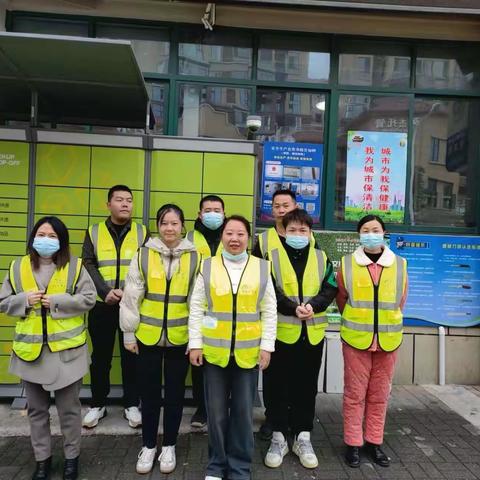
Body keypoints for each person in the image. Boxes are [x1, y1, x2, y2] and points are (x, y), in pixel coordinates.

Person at [0, 216, 96, 480]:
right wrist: (23, 300)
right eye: (41, 234)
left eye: (52, 236)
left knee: (69, 411)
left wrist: (57, 301)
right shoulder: (17, 266)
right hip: (31, 354)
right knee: (36, 411)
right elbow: (3, 301)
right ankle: (42, 460)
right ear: (32, 238)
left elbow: (89, 299)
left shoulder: (75, 267)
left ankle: (71, 459)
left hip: (68, 354)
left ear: (61, 240)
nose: (46, 240)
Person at [188, 215, 277, 480]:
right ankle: (216, 465)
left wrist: (267, 347)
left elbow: (269, 310)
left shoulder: (261, 267)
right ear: (223, 237)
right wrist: (195, 345)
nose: (234, 239)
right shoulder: (208, 266)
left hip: (248, 354)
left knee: (241, 414)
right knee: (215, 415)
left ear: (248, 238)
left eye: (240, 234)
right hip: (214, 353)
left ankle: (239, 467)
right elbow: (197, 308)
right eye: (229, 233)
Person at [120, 204, 199, 475]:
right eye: (165, 223)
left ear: (182, 226)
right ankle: (149, 445)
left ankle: (170, 445)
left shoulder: (194, 257)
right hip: (147, 336)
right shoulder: (143, 254)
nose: (169, 228)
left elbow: (197, 302)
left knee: (175, 395)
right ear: (158, 225)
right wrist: (129, 332)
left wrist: (195, 339)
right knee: (150, 394)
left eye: (175, 223)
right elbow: (131, 297)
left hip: (181, 337)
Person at [264, 209, 337, 470]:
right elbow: (269, 289)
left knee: (306, 387)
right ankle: (279, 437)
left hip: (312, 335)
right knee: (276, 387)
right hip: (281, 335)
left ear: (310, 233)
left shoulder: (322, 257)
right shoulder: (270, 257)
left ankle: (303, 436)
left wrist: (313, 306)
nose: (298, 235)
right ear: (283, 231)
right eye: (292, 230)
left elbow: (331, 287)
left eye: (303, 230)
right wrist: (291, 308)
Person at [336, 215, 408, 468]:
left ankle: (374, 443)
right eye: (365, 230)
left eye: (375, 229)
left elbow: (400, 301)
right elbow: (342, 299)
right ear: (359, 235)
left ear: (384, 232)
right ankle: (353, 444)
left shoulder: (400, 264)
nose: (370, 234)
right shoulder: (346, 264)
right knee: (354, 394)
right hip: (356, 339)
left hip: (389, 340)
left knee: (380, 395)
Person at [82, 185, 148, 429]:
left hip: (131, 306)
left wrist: (129, 294)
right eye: (119, 199)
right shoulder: (94, 231)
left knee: (132, 357)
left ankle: (131, 404)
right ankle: (98, 404)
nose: (125, 204)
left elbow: (148, 265)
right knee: (101, 358)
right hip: (102, 305)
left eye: (129, 200)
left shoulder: (143, 232)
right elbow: (88, 263)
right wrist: (105, 291)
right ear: (108, 204)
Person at [185, 194, 226, 429]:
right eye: (207, 210)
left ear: (224, 212)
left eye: (217, 210)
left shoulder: (231, 235)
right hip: (198, 308)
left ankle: (220, 406)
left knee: (223, 359)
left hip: (225, 309)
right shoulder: (190, 238)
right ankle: (201, 407)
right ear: (200, 214)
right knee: (198, 359)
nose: (212, 214)